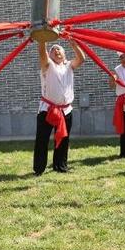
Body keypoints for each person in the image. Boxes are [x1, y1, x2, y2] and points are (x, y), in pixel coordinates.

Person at [33, 41, 85, 175]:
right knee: (42, 139)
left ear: (64, 54)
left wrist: (73, 43)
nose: (56, 51)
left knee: (63, 139)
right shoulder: (48, 65)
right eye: (53, 50)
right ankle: (39, 168)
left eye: (59, 49)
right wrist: (42, 39)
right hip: (48, 109)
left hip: (66, 109)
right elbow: (42, 53)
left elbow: (81, 59)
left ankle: (60, 166)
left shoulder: (69, 66)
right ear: (49, 55)